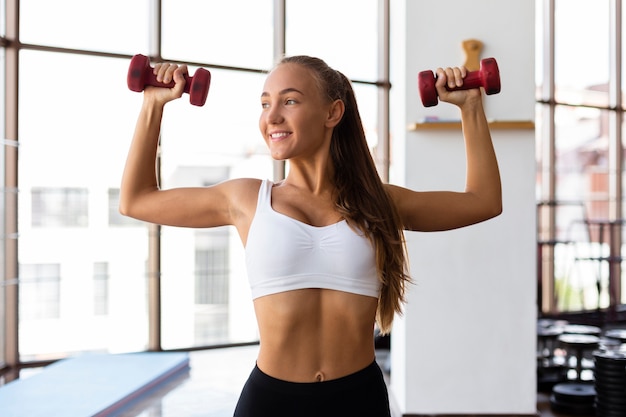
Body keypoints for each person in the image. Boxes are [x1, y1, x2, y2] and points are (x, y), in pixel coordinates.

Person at [119, 55, 502, 417]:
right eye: (265, 103)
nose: (272, 116)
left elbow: (483, 201)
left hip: (358, 399)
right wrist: (154, 104)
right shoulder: (248, 200)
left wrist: (470, 107)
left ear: (333, 112)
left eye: (290, 101)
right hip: (271, 401)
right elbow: (137, 200)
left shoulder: (379, 203)